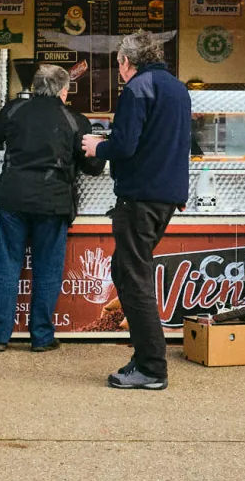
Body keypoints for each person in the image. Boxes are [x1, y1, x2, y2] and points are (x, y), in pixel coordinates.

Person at [82, 31, 191, 390]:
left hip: (140, 196)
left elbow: (125, 145)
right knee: (126, 270)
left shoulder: (137, 88)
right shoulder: (177, 89)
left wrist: (98, 147)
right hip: (165, 195)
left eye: (119, 65)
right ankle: (145, 357)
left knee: (133, 277)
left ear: (127, 62)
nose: (119, 71)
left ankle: (151, 366)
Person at [0, 64, 105, 352]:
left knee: (7, 265)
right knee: (47, 269)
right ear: (64, 91)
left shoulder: (15, 110)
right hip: (53, 201)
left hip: (13, 197)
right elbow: (93, 167)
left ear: (35, 88)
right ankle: (41, 336)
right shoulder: (75, 121)